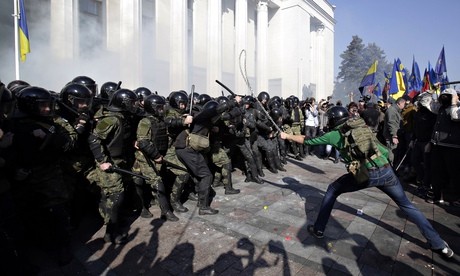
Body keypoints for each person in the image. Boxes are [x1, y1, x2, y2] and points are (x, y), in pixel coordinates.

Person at [279, 105, 455, 259]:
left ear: (333, 120)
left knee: (333, 190)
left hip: (364, 175)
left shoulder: (334, 135)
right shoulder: (361, 126)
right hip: (386, 171)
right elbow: (383, 151)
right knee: (408, 206)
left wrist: (287, 136)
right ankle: (439, 245)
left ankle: (318, 229)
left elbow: (307, 139)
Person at [88, 88, 138, 244]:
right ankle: (111, 233)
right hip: (107, 162)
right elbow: (94, 139)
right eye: (132, 103)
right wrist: (102, 161)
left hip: (118, 160)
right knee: (116, 195)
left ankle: (115, 221)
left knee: (114, 195)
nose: (135, 105)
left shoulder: (122, 117)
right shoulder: (112, 119)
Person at [133, 94, 179, 221]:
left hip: (157, 154)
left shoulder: (160, 119)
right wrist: (156, 156)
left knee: (141, 180)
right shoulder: (145, 122)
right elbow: (143, 141)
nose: (161, 110)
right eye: (159, 108)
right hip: (145, 156)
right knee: (155, 182)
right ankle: (165, 211)